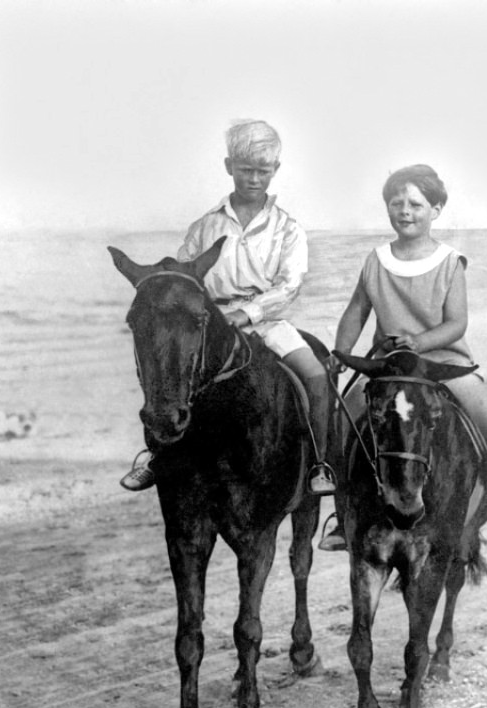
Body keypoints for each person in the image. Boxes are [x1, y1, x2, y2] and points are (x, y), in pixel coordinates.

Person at [120, 119, 336, 496]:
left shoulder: (288, 229)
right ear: (228, 167)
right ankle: (156, 455)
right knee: (167, 370)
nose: (253, 179)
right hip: (210, 325)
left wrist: (247, 313)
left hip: (268, 324)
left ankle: (320, 464)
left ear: (275, 171)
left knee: (316, 377)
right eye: (245, 170)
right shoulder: (205, 226)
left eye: (262, 171)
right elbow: (185, 278)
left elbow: (289, 286)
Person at [320, 163, 487, 547]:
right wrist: (341, 352)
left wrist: (420, 342)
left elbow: (456, 323)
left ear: (436, 210)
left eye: (416, 203)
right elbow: (356, 312)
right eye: (396, 203)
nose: (405, 211)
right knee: (343, 418)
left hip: (443, 362)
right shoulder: (376, 260)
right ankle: (342, 513)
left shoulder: (449, 261)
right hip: (388, 364)